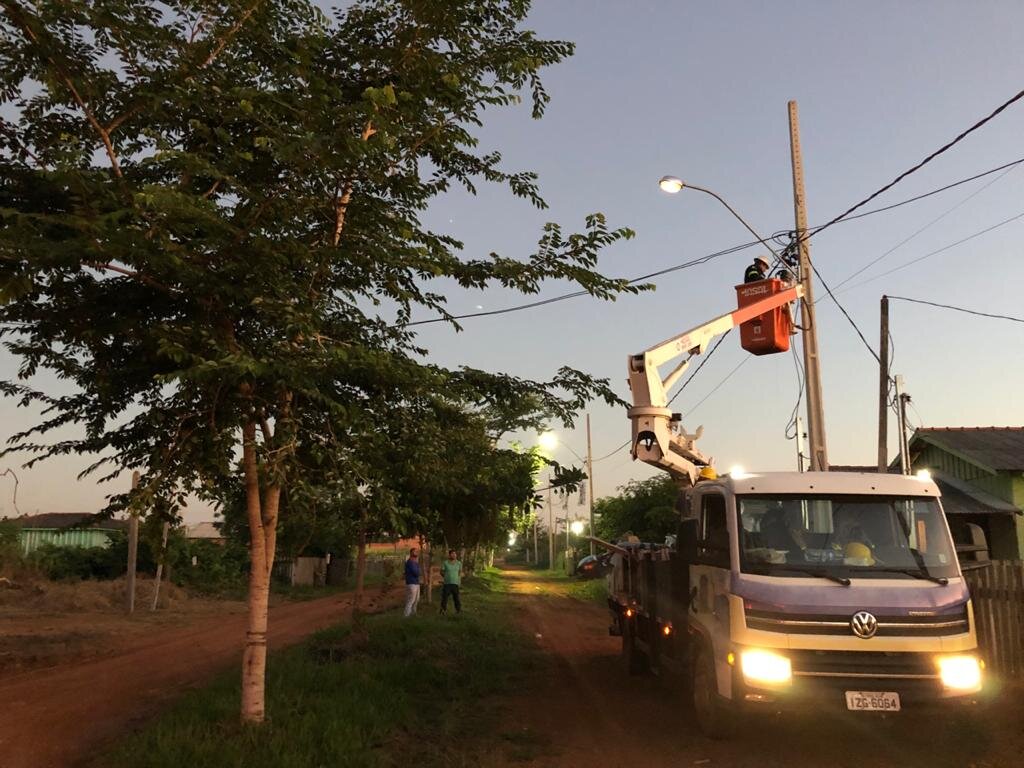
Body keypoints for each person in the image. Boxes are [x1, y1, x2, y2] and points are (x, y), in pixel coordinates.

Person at [440, 548, 462, 615]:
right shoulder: (445, 563)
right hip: (447, 584)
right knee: (445, 598)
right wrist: (446, 576)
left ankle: (458, 611)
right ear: (449, 555)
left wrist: (458, 581)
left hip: (455, 584)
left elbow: (459, 573)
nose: (454, 555)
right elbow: (441, 572)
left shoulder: (459, 563)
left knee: (456, 598)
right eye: (452, 554)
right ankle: (443, 611)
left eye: (455, 554)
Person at [403, 547, 421, 618]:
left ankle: (413, 613)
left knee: (416, 599)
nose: (416, 553)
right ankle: (406, 615)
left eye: (417, 551)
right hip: (411, 583)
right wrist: (418, 572)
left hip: (416, 583)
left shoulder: (415, 562)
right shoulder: (410, 562)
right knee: (411, 599)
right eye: (415, 552)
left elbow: (418, 572)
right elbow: (416, 572)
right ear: (411, 553)